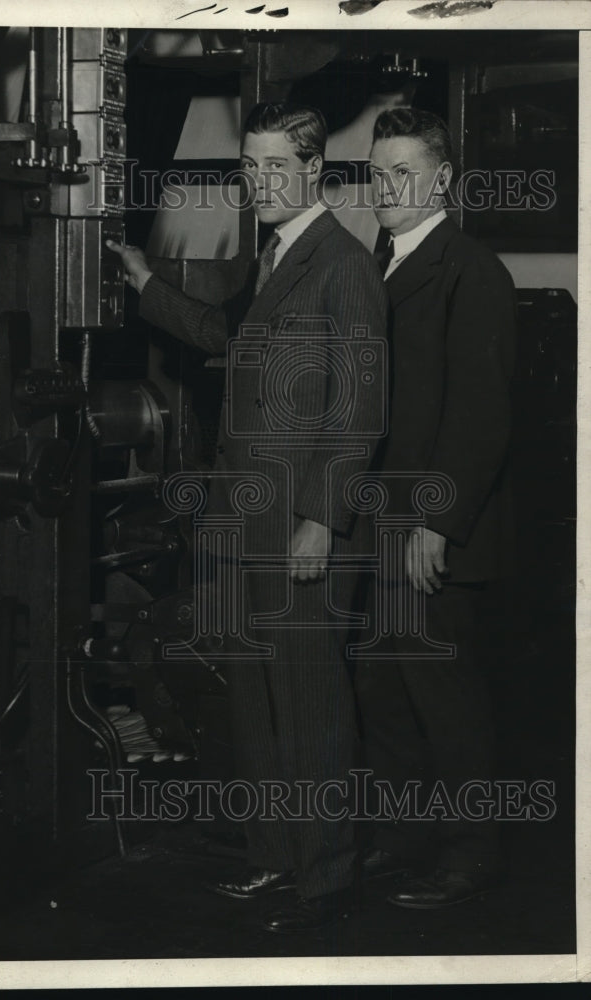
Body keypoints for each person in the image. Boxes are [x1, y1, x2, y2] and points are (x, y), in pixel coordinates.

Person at [108, 102, 387, 932]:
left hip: (300, 526)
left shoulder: (344, 264)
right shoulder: (271, 257)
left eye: (274, 168)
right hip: (243, 520)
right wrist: (146, 286)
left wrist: (321, 518)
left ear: (312, 171)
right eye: (250, 169)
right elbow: (218, 334)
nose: (259, 183)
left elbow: (359, 407)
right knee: (258, 703)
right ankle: (275, 860)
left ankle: (327, 878)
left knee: (309, 703)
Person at [354, 107, 517, 908]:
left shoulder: (470, 269)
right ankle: (402, 839)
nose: (388, 188)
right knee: (386, 693)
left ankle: (469, 853)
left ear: (442, 179)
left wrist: (435, 521)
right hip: (381, 523)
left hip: (431, 529)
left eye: (404, 173)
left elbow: (482, 414)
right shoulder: (380, 264)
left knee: (445, 698)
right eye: (377, 173)